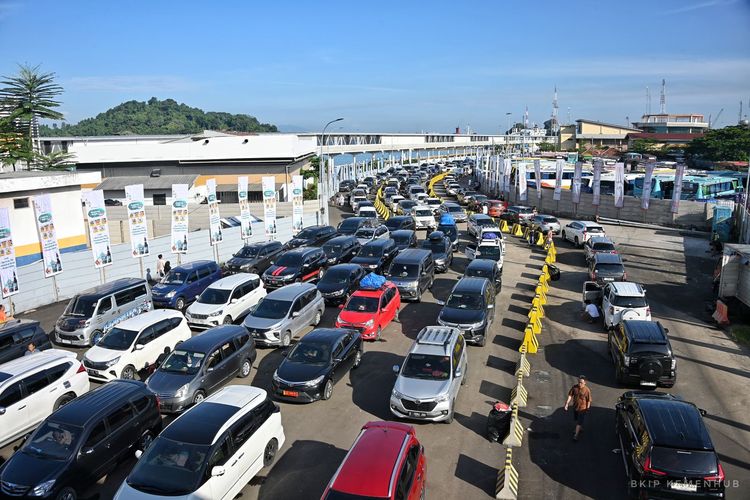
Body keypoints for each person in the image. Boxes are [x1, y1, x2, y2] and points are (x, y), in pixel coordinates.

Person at [564, 375, 592, 441]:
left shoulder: (587, 390)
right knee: (576, 419)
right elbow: (570, 395)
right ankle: (580, 428)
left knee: (579, 422)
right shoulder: (575, 387)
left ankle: (575, 435)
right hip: (575, 407)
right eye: (579, 382)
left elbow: (589, 401)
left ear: (585, 383)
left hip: (582, 409)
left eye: (581, 382)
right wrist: (567, 404)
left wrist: (587, 408)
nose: (580, 384)